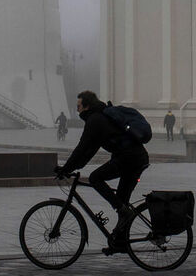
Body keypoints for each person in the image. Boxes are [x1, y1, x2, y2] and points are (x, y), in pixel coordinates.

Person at [56, 90, 149, 251]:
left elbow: (82, 148)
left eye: (79, 106)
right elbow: (88, 151)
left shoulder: (95, 120)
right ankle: (120, 243)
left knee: (95, 178)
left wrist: (66, 168)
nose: (77, 109)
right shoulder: (99, 116)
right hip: (134, 157)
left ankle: (123, 212)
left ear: (86, 106)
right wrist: (72, 167)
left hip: (130, 158)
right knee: (121, 201)